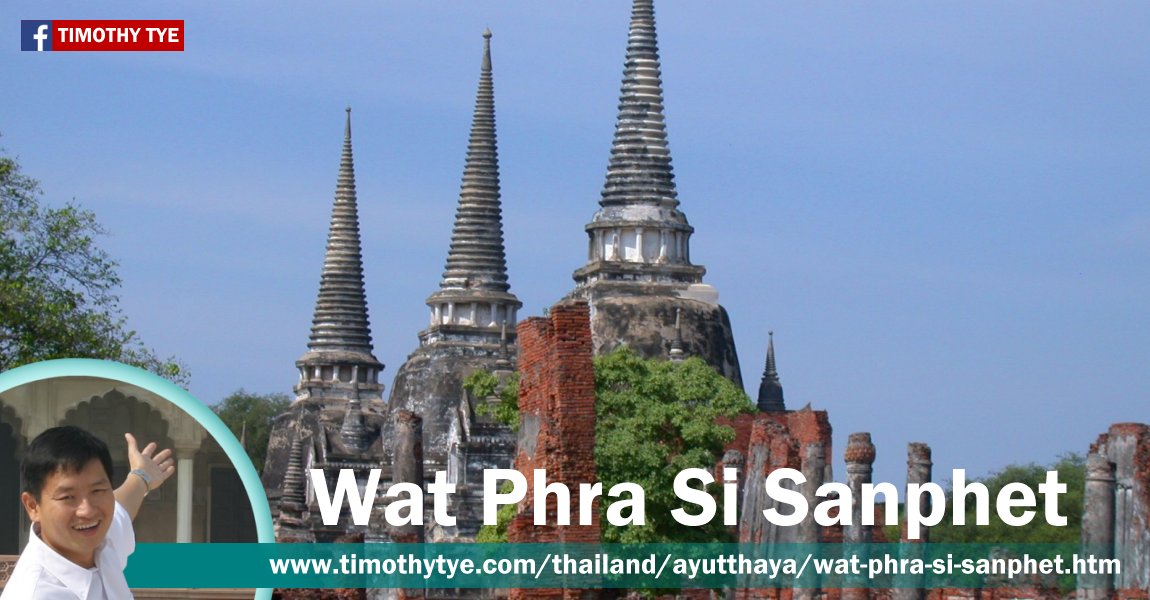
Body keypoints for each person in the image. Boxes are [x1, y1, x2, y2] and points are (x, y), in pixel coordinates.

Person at [1, 426, 176, 599]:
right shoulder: (34, 593)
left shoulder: (102, 542)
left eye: (97, 491)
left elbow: (122, 505)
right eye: (68, 497)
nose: (88, 510)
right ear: (33, 506)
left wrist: (142, 476)